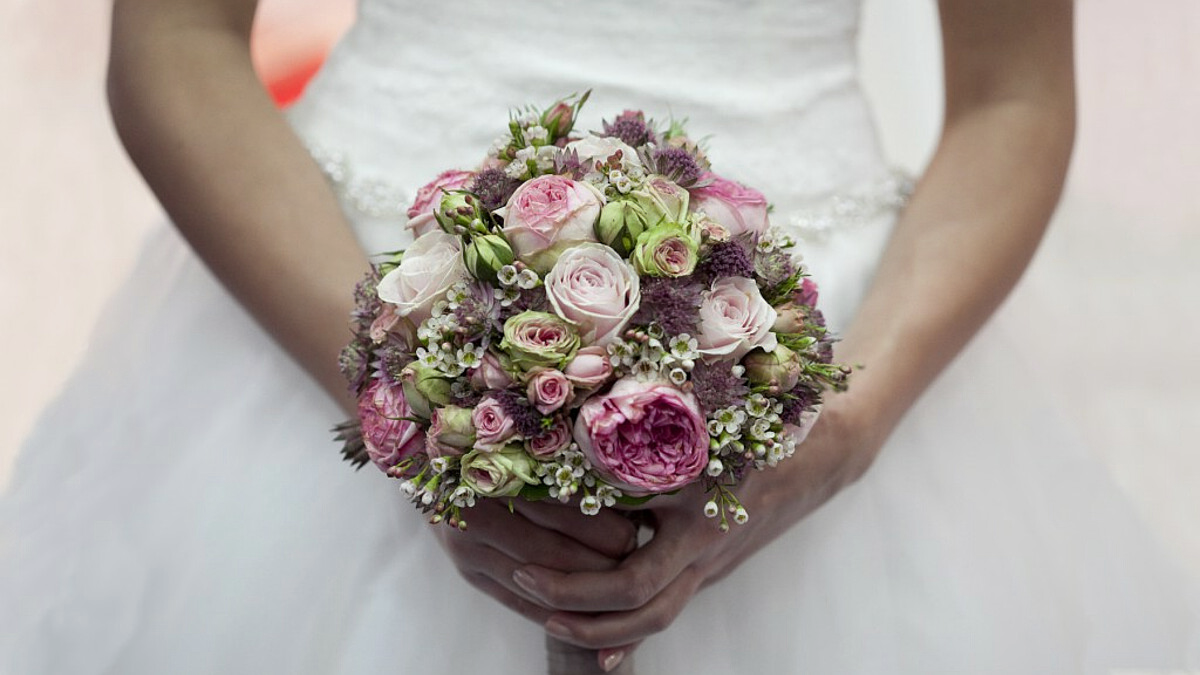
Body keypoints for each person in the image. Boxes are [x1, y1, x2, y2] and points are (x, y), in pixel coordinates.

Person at [1, 0, 1195, 673]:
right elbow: (174, 39)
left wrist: (838, 435)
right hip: (336, 294)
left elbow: (1013, 97)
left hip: (827, 348)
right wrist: (410, 402)